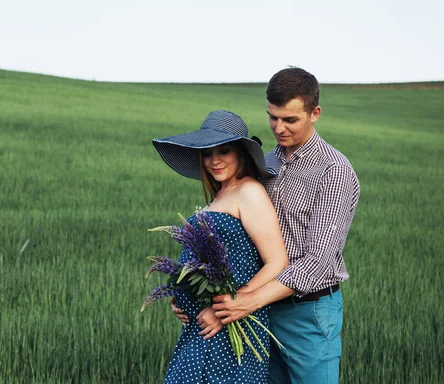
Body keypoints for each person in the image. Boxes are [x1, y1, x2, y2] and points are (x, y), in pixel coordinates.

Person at [211, 67, 361, 384]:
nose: (279, 128)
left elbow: (318, 262)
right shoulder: (266, 161)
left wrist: (250, 300)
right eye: (272, 117)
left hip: (308, 312)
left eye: (290, 120)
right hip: (260, 309)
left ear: (315, 113)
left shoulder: (333, 171)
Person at [152, 110, 289, 384]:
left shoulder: (249, 191)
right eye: (207, 152)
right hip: (203, 327)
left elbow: (277, 262)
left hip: (231, 323)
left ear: (241, 153)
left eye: (223, 151)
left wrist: (226, 308)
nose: (214, 160)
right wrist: (181, 296)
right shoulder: (218, 198)